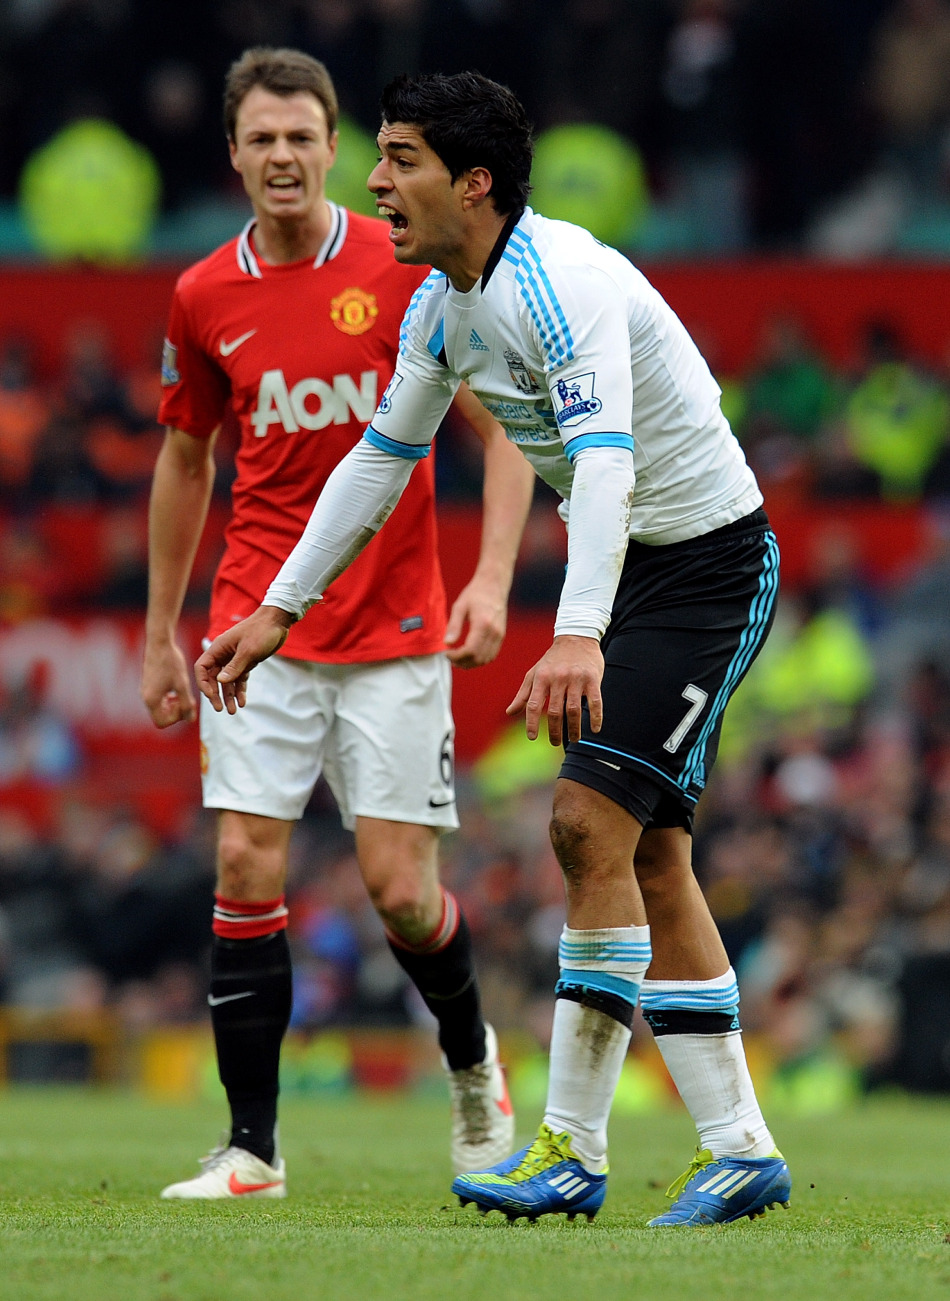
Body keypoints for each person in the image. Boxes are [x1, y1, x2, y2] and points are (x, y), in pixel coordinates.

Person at [196, 70, 791, 1228]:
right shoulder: (440, 305)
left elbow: (606, 467)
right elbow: (377, 462)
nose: (375, 181)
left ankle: (569, 1147)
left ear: (472, 183)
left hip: (707, 564)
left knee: (583, 825)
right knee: (645, 857)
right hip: (639, 567)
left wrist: (574, 635)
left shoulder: (557, 285)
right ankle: (738, 1149)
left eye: (400, 158)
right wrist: (276, 610)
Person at [141, 51, 534, 1200]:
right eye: (261, 138)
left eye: (301, 136)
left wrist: (490, 580)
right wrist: (160, 629)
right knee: (243, 858)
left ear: (333, 148)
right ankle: (251, 1148)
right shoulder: (202, 294)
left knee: (398, 890)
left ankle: (472, 1064)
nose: (282, 156)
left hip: (394, 624)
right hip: (252, 619)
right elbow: (185, 459)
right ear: (233, 153)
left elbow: (505, 430)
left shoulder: (402, 268)